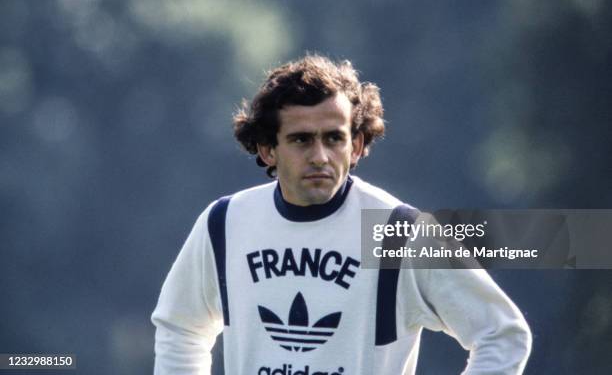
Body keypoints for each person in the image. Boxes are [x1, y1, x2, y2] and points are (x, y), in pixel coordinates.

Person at [151, 54, 532, 374]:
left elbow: (503, 335)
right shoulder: (224, 223)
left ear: (357, 145)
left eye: (334, 138)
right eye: (301, 139)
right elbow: (180, 327)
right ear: (268, 149)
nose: (320, 156)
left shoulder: (401, 230)